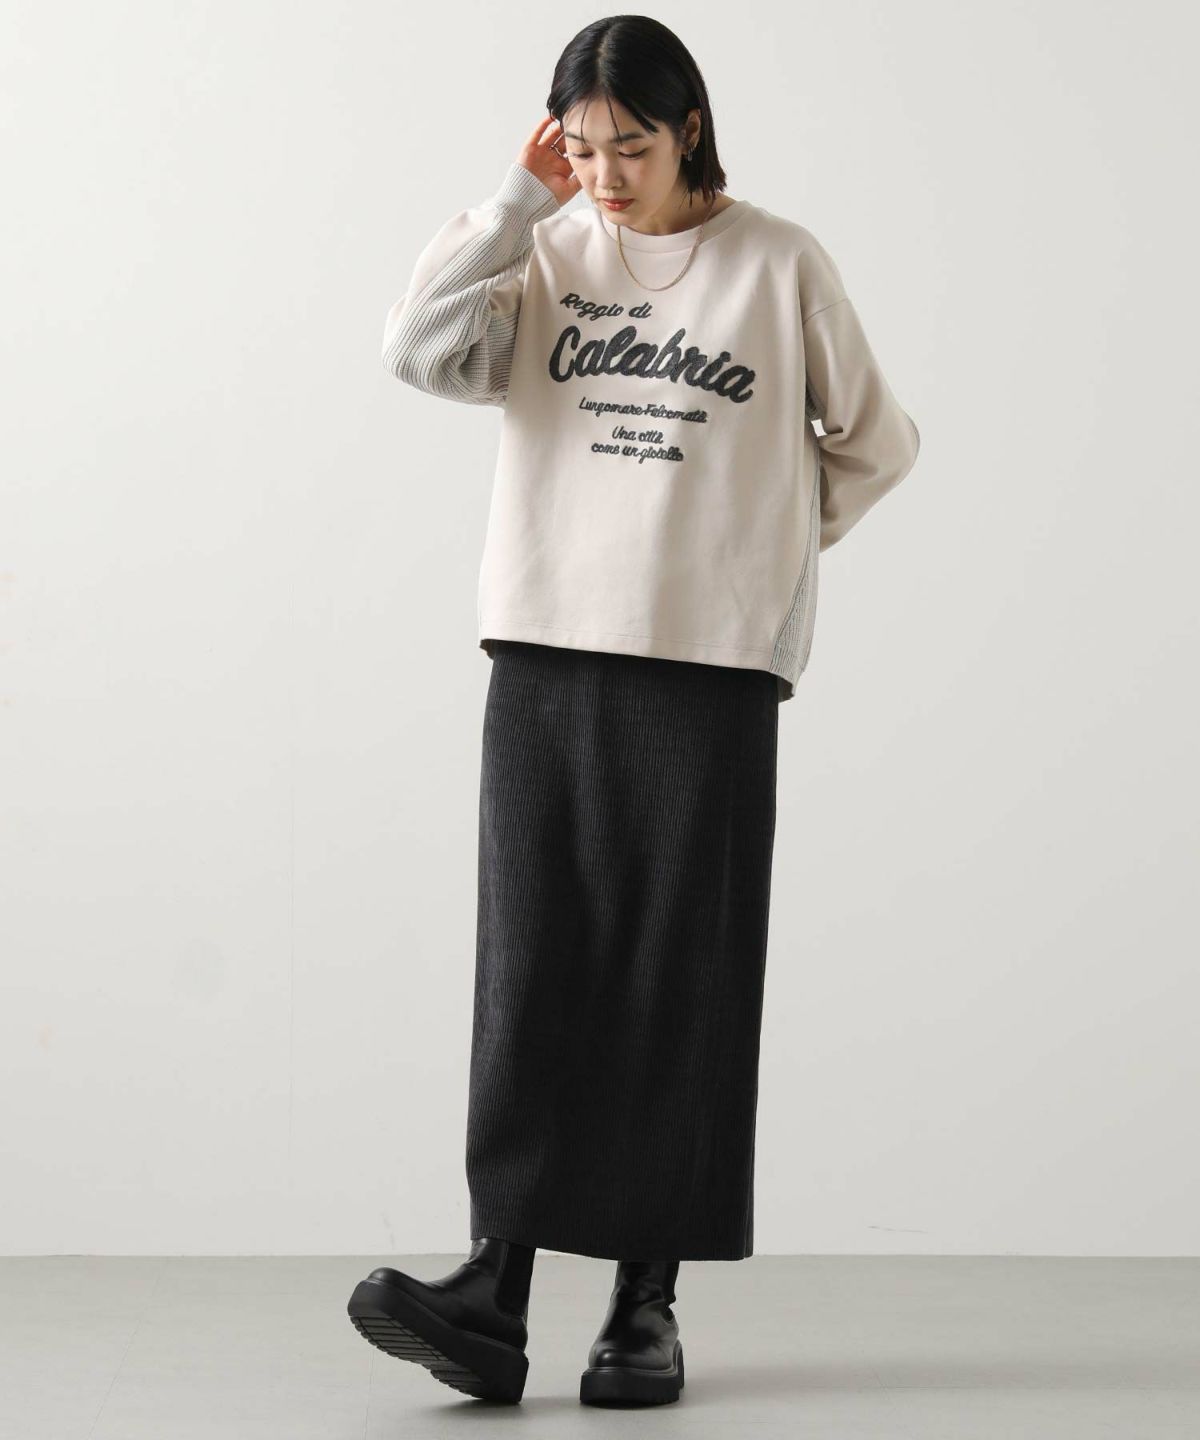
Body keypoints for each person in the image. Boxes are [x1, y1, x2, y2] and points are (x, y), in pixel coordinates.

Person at [347, 14, 920, 1409]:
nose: (607, 175)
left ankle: (643, 1309)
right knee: (531, 968)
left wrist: (761, 548)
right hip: (545, 649)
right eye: (585, 147)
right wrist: (515, 202)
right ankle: (495, 1289)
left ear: (691, 130)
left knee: (679, 978)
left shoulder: (778, 264)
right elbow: (417, 351)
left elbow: (877, 442)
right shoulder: (546, 252)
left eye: (633, 147)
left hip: (707, 671)